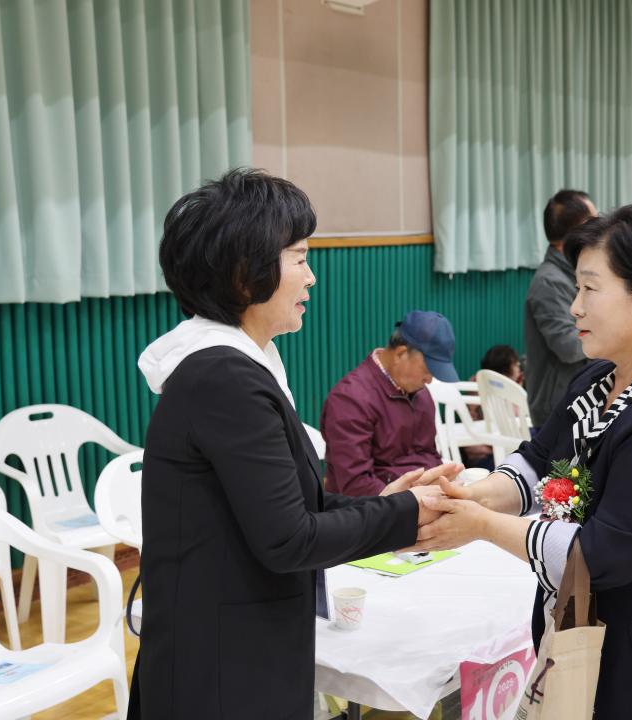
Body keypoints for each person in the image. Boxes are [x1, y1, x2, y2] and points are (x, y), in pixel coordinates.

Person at [412, 204, 632, 718]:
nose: (575, 307)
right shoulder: (596, 384)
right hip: (603, 652)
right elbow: (544, 467)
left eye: (590, 289)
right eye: (576, 288)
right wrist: (473, 494)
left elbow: (598, 556)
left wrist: (483, 526)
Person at [132, 169, 461, 719]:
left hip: (235, 644)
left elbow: (285, 502)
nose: (311, 278)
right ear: (245, 275)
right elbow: (288, 538)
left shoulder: (242, 366)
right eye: (300, 258)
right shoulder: (224, 378)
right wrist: (403, 513)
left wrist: (390, 504)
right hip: (221, 666)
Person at [321, 311, 456, 496]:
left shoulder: (421, 395)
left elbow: (429, 454)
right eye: (428, 370)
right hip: (372, 510)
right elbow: (356, 484)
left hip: (419, 499)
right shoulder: (350, 399)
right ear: (401, 353)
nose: (430, 380)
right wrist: (414, 503)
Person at [525, 189, 596, 427]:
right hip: (557, 413)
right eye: (594, 223)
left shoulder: (574, 274)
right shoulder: (550, 282)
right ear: (580, 229)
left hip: (576, 403)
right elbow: (569, 347)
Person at [463, 344, 525, 469]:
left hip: (472, 452)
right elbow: (517, 424)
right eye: (516, 365)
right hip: (493, 455)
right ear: (507, 367)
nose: (519, 369)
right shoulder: (507, 390)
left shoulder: (475, 382)